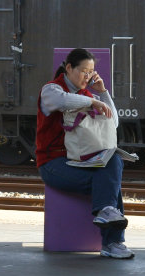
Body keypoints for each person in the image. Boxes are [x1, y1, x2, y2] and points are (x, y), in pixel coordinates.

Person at [36, 48, 133, 259]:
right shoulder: (51, 90)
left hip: (80, 160)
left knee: (114, 160)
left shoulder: (88, 94)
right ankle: (113, 242)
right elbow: (64, 101)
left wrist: (103, 93)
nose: (87, 77)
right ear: (69, 68)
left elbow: (113, 123)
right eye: (83, 71)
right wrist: (93, 101)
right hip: (54, 164)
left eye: (91, 72)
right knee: (109, 183)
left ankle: (107, 215)